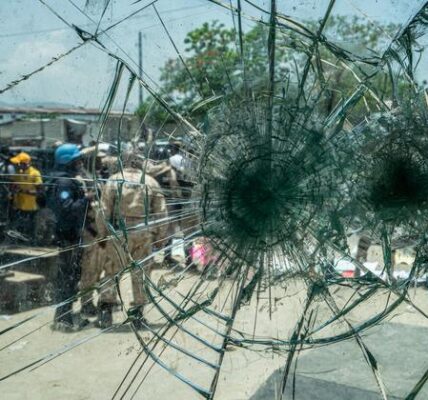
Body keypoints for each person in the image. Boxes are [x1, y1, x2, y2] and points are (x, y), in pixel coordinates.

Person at [96, 150, 167, 329]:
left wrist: (101, 234)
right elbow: (162, 212)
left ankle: (105, 312)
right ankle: (137, 315)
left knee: (112, 271)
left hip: (120, 232)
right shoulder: (150, 182)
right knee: (140, 274)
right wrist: (161, 237)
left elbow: (104, 210)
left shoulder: (113, 180)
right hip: (144, 233)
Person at [48, 144, 89, 332]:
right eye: (77, 160)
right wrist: (87, 199)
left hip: (70, 235)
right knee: (68, 278)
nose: (80, 163)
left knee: (72, 277)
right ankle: (63, 318)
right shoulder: (64, 183)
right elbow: (67, 209)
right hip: (67, 236)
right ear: (68, 161)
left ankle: (66, 314)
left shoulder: (67, 180)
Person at [9, 152, 43, 239]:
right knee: (18, 228)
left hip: (30, 207)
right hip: (18, 206)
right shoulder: (18, 173)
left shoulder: (35, 173)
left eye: (18, 163)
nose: (17, 165)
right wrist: (13, 189)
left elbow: (40, 191)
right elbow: (12, 185)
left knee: (29, 228)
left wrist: (23, 191)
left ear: (25, 163)